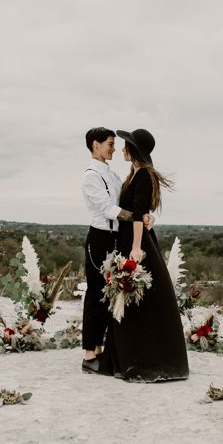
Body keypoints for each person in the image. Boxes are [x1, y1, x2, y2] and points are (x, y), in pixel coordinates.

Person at [94, 128, 189, 382]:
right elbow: (138, 211)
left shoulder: (145, 175)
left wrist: (136, 247)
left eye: (126, 145)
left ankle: (146, 359)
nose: (122, 149)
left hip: (135, 240)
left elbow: (138, 213)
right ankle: (124, 356)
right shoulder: (134, 173)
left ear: (135, 150)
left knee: (140, 299)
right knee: (129, 299)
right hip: (127, 238)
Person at [80, 127, 153, 374]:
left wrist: (144, 216)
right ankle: (89, 354)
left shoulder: (110, 174)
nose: (113, 147)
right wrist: (138, 217)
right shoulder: (91, 176)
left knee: (107, 295)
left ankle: (101, 349)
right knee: (94, 295)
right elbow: (108, 209)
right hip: (99, 239)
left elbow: (126, 202)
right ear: (95, 145)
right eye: (110, 144)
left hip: (115, 239)